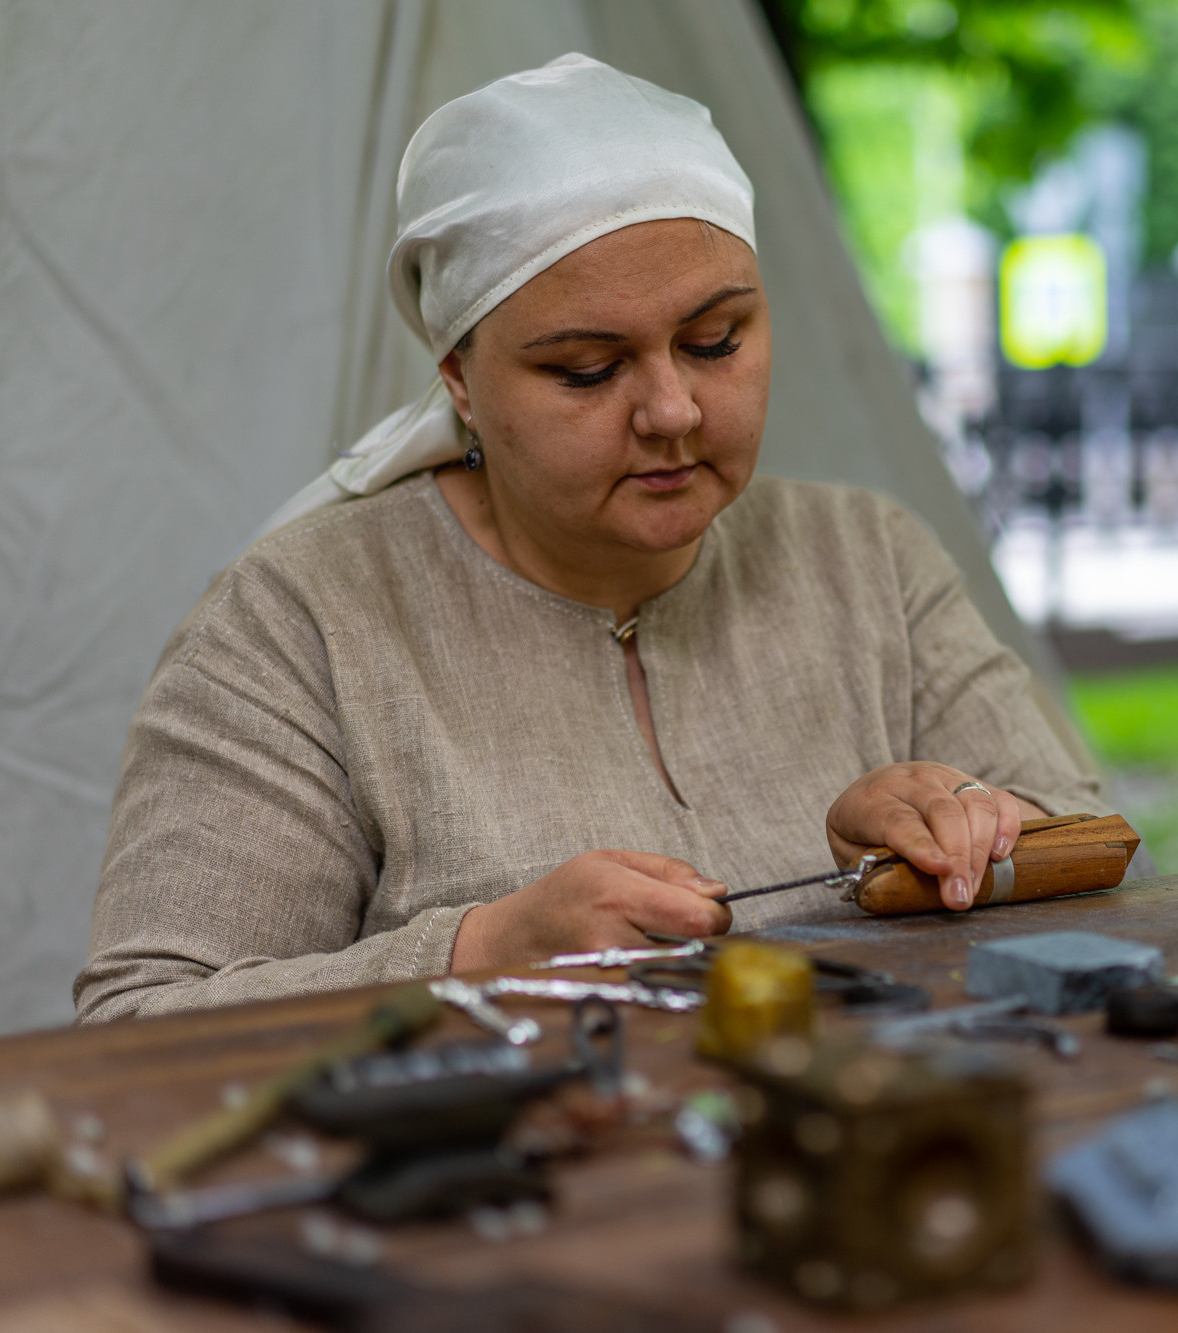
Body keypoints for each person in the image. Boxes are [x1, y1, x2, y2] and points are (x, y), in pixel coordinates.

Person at [75, 54, 1105, 1022]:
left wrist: (971, 833)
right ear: (459, 384)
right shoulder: (302, 624)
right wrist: (481, 948)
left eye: (715, 341)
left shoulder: (865, 560)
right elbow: (138, 1021)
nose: (671, 409)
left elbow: (1106, 866)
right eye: (584, 369)